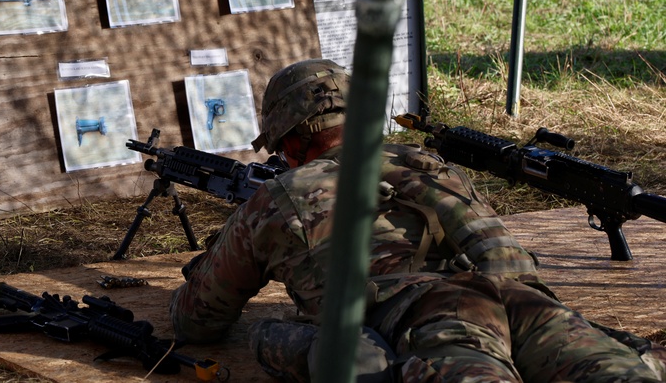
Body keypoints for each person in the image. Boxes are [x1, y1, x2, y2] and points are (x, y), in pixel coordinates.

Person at [169, 58, 666, 382]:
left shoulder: (277, 198)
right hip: (522, 300)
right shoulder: (424, 164)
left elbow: (198, 319)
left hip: (436, 319)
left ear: (289, 139)